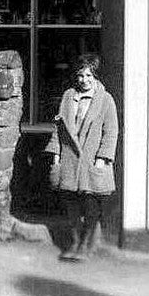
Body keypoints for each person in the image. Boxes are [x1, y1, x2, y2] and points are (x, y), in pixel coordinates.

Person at [45, 54, 117, 261]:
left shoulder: (105, 100)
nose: (83, 80)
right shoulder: (68, 96)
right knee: (70, 203)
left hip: (91, 158)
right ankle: (75, 241)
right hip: (69, 158)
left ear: (95, 76)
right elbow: (58, 127)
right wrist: (56, 155)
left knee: (90, 202)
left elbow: (111, 132)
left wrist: (102, 158)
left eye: (88, 75)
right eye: (80, 75)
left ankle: (86, 244)